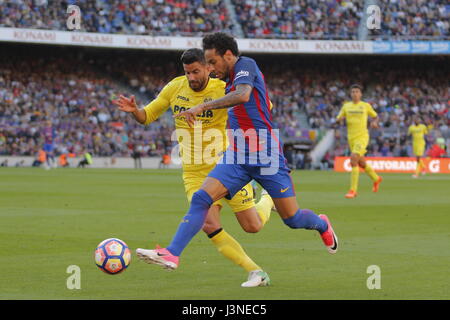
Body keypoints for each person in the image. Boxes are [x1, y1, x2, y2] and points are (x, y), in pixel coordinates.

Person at [133, 33, 338, 277]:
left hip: (265, 153)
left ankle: (322, 224)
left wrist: (202, 106)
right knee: (201, 198)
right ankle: (172, 252)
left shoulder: (246, 65)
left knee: (292, 219)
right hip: (237, 154)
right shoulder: (224, 81)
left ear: (228, 55)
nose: (210, 68)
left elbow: (243, 96)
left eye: (212, 62)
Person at [113, 48, 275, 287]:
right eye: (187, 72)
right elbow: (147, 115)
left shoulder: (223, 88)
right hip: (193, 172)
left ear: (209, 68)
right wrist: (135, 111)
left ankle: (269, 199)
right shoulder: (174, 88)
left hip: (225, 167)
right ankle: (256, 271)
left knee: (252, 226)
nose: (191, 77)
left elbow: (264, 105)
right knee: (209, 223)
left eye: (196, 71)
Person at [336, 84, 383, 198]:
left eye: (357, 91)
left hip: (362, 137)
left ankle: (353, 190)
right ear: (350, 94)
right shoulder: (346, 106)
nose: (355, 94)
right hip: (351, 138)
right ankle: (376, 179)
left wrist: (375, 122)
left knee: (353, 159)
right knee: (361, 163)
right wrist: (339, 123)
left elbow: (375, 116)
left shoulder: (365, 106)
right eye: (353, 92)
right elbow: (339, 119)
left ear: (361, 94)